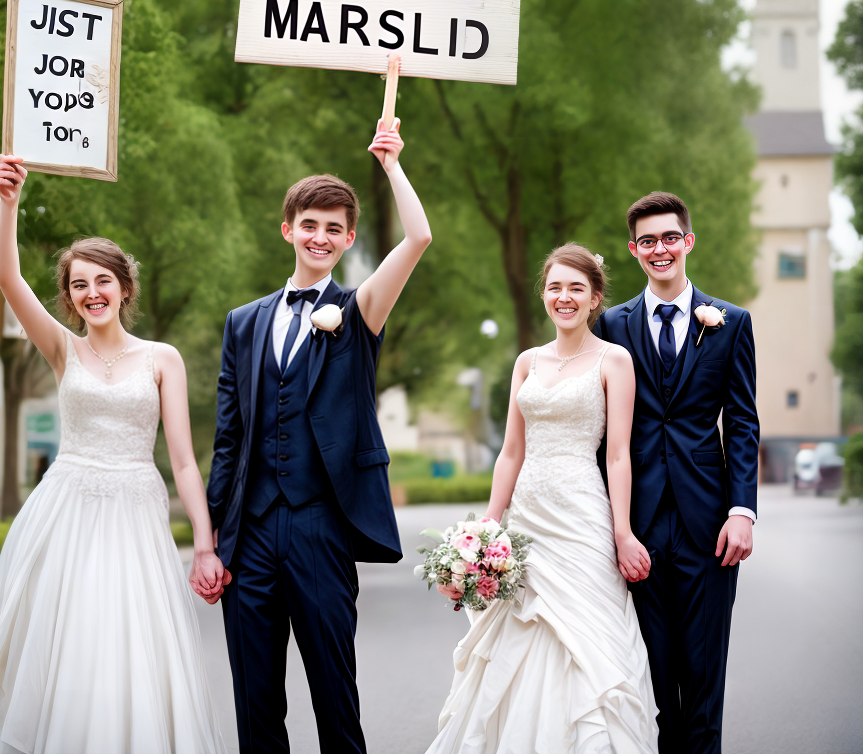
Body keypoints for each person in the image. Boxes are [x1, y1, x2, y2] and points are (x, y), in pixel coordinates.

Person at [0, 154, 228, 754]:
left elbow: (186, 463)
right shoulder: (62, 350)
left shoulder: (161, 358)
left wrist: (204, 544)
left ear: (125, 286)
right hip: (69, 514)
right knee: (73, 643)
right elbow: (8, 279)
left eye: (102, 281)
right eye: (79, 285)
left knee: (131, 646)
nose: (92, 293)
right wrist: (8, 203)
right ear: (68, 297)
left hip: (136, 514)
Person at [205, 117, 432, 753]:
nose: (321, 237)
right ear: (288, 230)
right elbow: (230, 439)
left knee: (335, 695)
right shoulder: (242, 324)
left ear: (349, 237)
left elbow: (419, 236)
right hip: (248, 535)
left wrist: (391, 163)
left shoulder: (359, 311)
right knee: (255, 704)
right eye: (310, 225)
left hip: (321, 526)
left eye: (334, 228)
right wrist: (215, 542)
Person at [427, 244, 658, 754]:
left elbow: (618, 455)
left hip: (581, 518)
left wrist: (622, 532)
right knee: (519, 637)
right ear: (544, 295)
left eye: (577, 287)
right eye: (555, 287)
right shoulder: (527, 362)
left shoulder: (613, 360)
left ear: (595, 297)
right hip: (528, 519)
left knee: (584, 640)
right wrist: (488, 526)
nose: (564, 297)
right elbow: (511, 451)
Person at [596, 192, 758, 753]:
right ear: (634, 251)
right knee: (655, 685)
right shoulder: (610, 325)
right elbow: (599, 430)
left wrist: (742, 511)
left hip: (709, 523)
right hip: (636, 525)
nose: (659, 249)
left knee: (704, 686)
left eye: (669, 237)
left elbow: (741, 423)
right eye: (647, 241)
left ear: (687, 241)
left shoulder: (730, 323)